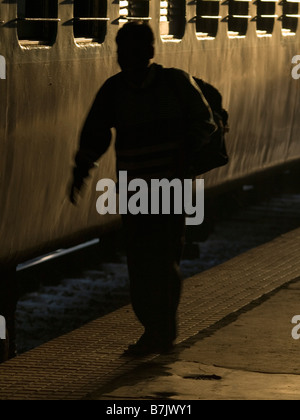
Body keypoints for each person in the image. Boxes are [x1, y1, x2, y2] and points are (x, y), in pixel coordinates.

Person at [69, 22, 215, 355]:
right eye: (121, 52)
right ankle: (156, 329)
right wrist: (80, 171)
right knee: (140, 264)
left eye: (131, 51)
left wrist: (183, 159)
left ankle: (160, 332)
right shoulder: (114, 90)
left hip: (170, 189)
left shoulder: (175, 82)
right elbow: (96, 134)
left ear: (149, 52)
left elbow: (204, 122)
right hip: (135, 192)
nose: (125, 58)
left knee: (161, 261)